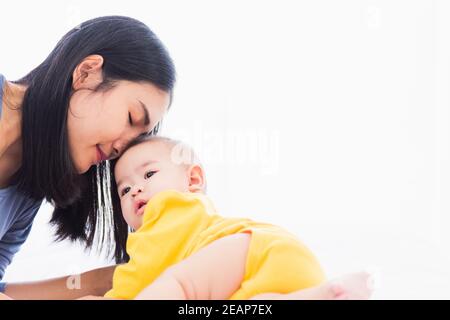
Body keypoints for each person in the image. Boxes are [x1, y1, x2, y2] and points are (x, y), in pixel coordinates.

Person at [0, 15, 175, 299]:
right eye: (132, 117)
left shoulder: (25, 196)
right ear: (87, 73)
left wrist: (106, 283)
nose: (122, 149)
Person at [101, 136, 372, 300]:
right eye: (124, 190)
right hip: (282, 268)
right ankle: (320, 295)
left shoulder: (169, 210)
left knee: (176, 286)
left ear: (193, 179)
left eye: (149, 175)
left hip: (250, 251)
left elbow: (138, 279)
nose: (135, 189)